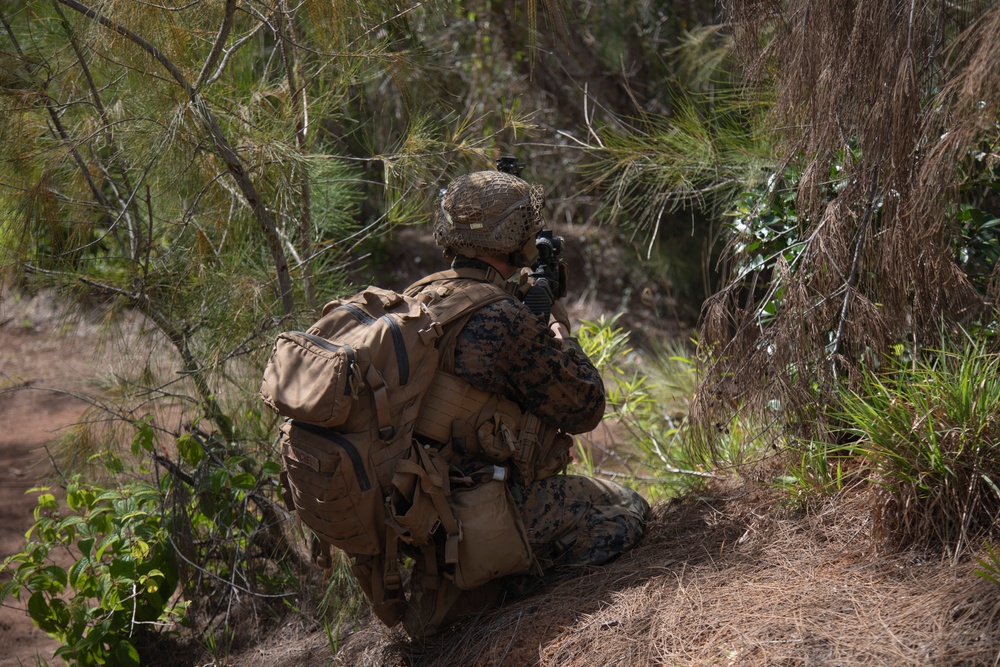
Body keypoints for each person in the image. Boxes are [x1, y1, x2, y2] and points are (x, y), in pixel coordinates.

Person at [400, 167, 649, 635]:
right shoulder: (503, 320)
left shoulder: (420, 297)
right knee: (627, 510)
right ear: (515, 236)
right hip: (478, 516)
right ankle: (502, 587)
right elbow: (584, 406)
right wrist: (557, 330)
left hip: (425, 515)